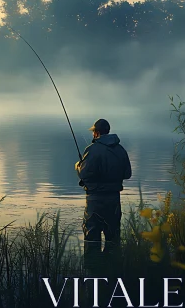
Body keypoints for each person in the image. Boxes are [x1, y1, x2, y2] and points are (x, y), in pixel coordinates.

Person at [75, 118, 132, 276]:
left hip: (95, 201)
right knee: (113, 238)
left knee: (92, 238)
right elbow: (127, 174)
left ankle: (94, 275)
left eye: (93, 131)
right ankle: (113, 273)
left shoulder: (92, 150)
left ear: (97, 133)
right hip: (114, 200)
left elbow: (83, 172)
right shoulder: (120, 150)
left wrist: (78, 165)